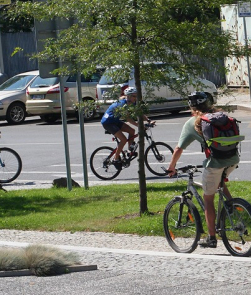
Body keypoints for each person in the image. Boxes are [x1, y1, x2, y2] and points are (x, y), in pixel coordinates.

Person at [166, 91, 239, 249]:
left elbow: (179, 148)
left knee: (208, 199)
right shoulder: (220, 116)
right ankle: (231, 206)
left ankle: (211, 238)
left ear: (191, 106)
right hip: (233, 159)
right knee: (218, 181)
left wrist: (171, 167)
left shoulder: (193, 122)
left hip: (216, 162)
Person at [100, 87, 153, 163]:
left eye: (136, 96)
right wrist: (139, 125)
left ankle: (129, 151)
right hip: (108, 122)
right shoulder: (122, 104)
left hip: (115, 121)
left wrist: (148, 120)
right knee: (123, 139)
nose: (136, 98)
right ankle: (116, 158)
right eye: (134, 96)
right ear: (129, 96)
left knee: (132, 131)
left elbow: (139, 113)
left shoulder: (132, 103)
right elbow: (128, 118)